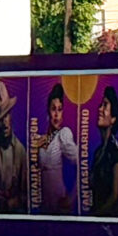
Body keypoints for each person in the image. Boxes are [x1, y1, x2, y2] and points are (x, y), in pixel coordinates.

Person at [36, 84, 78, 216]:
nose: (56, 114)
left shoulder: (63, 134)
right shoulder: (43, 139)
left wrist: (72, 197)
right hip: (44, 206)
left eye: (60, 110)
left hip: (59, 203)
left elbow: (82, 163)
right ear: (48, 110)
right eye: (53, 109)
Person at [0, 84, 28, 214]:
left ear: (11, 118)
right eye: (0, 119)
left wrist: (15, 202)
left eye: (6, 116)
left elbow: (26, 193)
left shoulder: (20, 150)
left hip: (13, 212)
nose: (4, 123)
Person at [89, 86, 118, 216]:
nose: (100, 109)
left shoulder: (114, 151)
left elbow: (115, 195)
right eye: (100, 105)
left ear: (113, 119)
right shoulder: (98, 152)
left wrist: (97, 217)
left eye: (105, 106)